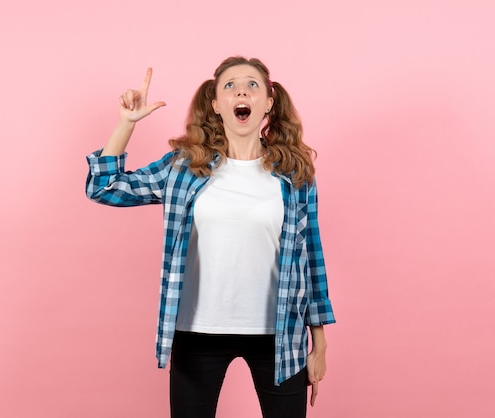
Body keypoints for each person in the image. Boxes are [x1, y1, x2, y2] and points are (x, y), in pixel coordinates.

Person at [85, 56, 336, 418]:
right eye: (230, 85)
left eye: (252, 84)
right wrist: (126, 124)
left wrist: (320, 343)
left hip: (280, 335)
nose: (241, 91)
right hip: (197, 330)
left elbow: (311, 256)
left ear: (268, 101)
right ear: (216, 104)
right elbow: (103, 187)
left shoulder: (294, 175)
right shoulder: (184, 166)